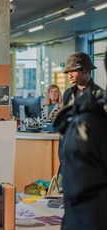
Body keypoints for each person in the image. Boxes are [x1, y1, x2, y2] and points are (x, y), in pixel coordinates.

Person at [54, 50, 107, 230]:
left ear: (86, 71)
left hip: (90, 168)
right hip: (68, 160)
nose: (70, 75)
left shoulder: (99, 96)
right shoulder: (68, 93)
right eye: (68, 72)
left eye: (73, 71)